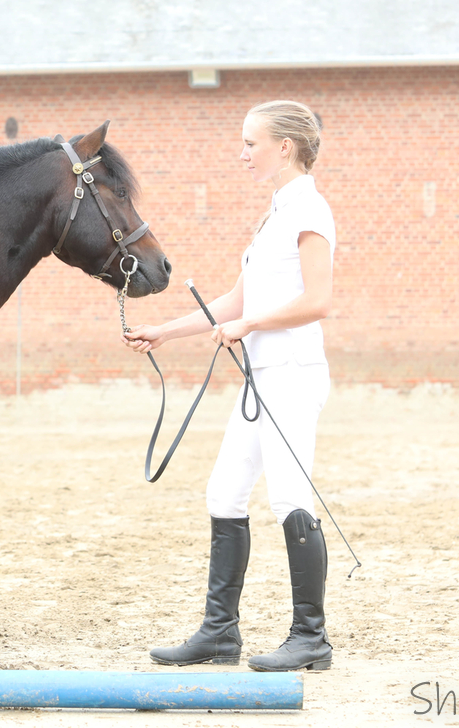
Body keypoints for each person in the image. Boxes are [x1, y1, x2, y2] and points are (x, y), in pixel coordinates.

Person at [122, 100, 335, 673]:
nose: (242, 152)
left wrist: (250, 325)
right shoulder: (272, 216)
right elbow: (234, 303)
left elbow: (317, 300)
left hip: (291, 373)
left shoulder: (309, 211)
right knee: (223, 493)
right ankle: (220, 633)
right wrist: (164, 331)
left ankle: (310, 638)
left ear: (284, 147)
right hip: (260, 378)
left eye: (250, 142)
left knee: (290, 499)